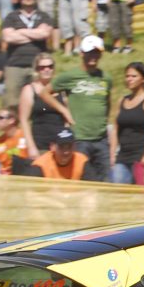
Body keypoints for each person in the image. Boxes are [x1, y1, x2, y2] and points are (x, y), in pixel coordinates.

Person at [51, 34, 112, 181]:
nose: (93, 56)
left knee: (105, 180)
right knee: (81, 180)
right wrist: (64, 110)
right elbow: (45, 92)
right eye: (90, 52)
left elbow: (108, 102)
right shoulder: (70, 76)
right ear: (81, 53)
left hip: (101, 139)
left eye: (96, 52)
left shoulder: (106, 78)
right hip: (80, 139)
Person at [0, 0, 54, 104]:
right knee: (11, 102)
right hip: (14, 65)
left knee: (41, 101)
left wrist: (20, 32)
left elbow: (44, 34)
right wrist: (34, 34)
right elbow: (8, 37)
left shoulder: (44, 16)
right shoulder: (11, 17)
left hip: (39, 66)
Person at [109, 61, 144, 185]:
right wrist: (112, 153)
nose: (129, 79)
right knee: (118, 187)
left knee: (143, 192)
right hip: (123, 157)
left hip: (141, 157)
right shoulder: (122, 100)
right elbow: (115, 128)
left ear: (143, 79)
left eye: (133, 76)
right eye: (127, 76)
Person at [19, 52, 70, 159]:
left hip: (59, 145)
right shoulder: (29, 90)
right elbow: (24, 120)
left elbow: (67, 119)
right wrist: (31, 147)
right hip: (39, 144)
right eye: (42, 67)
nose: (46, 70)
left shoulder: (62, 90)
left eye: (50, 66)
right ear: (36, 70)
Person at [0, 107, 27, 174]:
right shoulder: (0, 140)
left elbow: (22, 160)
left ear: (11, 120)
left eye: (0, 118)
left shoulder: (23, 137)